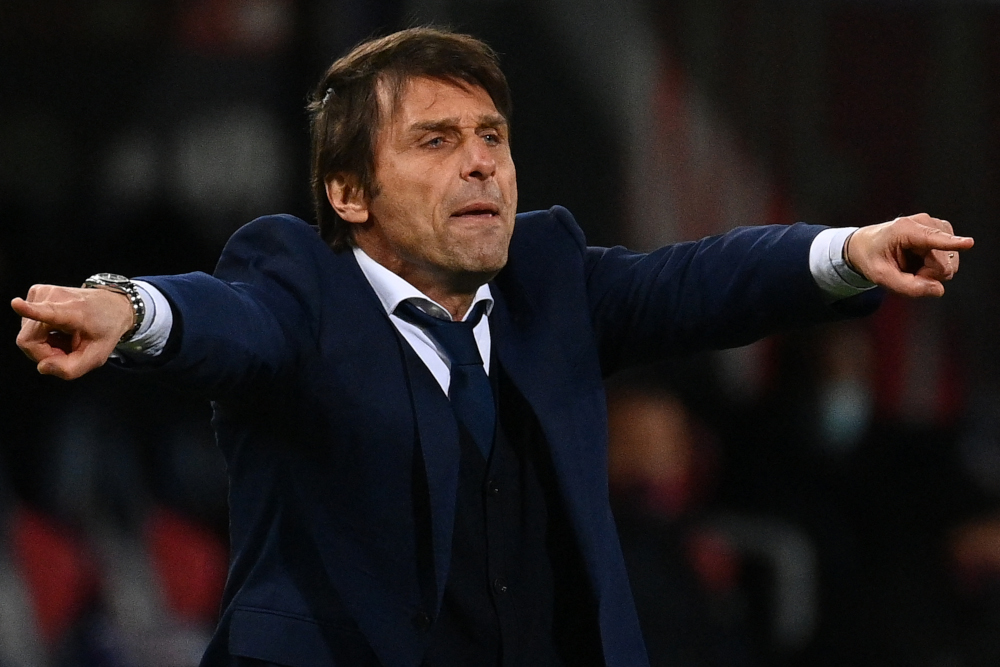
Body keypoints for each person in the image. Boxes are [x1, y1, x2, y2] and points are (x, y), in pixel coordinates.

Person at [11, 27, 973, 667]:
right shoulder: (302, 285)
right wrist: (129, 308)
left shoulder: (549, 282)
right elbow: (234, 320)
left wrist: (845, 250)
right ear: (350, 193)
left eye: (492, 136)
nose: (480, 162)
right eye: (435, 140)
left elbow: (693, 278)